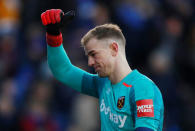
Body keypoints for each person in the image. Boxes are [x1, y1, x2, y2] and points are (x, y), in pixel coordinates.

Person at [41, 9, 164, 131]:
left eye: (94, 54)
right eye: (88, 56)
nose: (90, 62)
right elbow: (63, 71)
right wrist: (53, 34)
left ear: (114, 49)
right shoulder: (103, 83)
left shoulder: (142, 88)